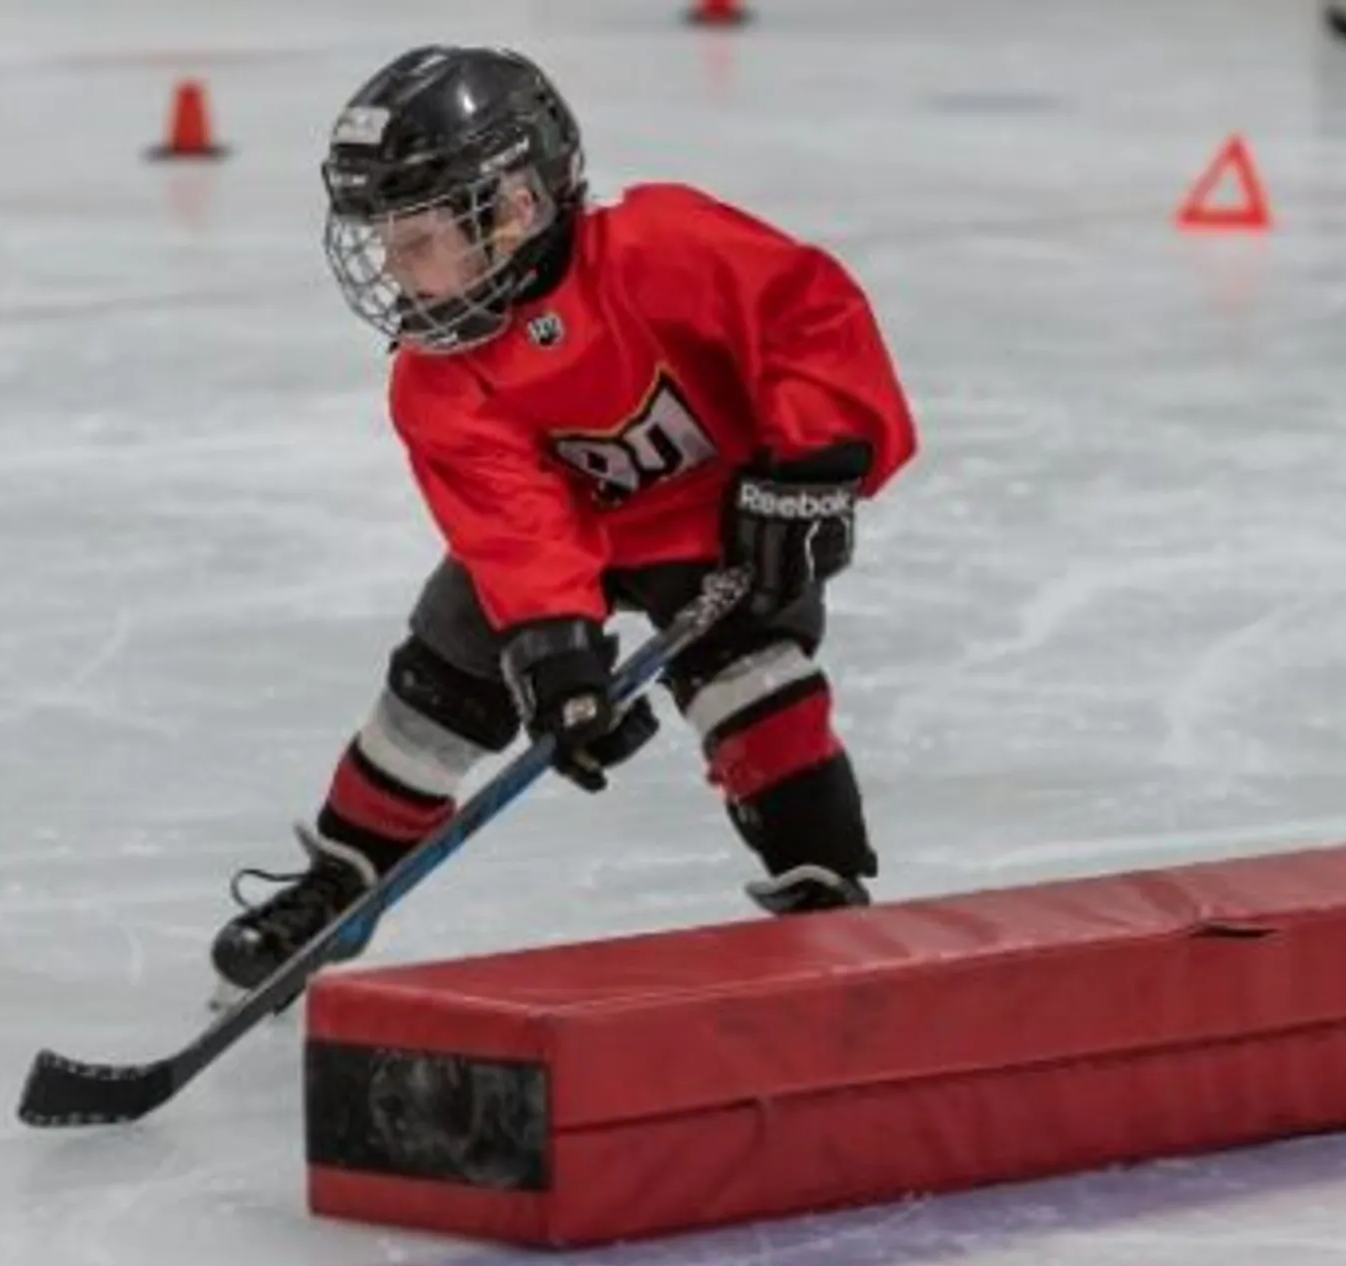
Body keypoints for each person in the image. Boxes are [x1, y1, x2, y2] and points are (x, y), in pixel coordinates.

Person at [209, 44, 919, 994]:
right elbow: (512, 522)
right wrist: (554, 655)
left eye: (415, 238)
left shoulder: (665, 246)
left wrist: (813, 463)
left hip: (718, 521)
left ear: (513, 207)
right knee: (443, 675)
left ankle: (823, 890)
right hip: (582, 535)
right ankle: (343, 877)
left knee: (753, 687)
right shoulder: (439, 376)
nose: (394, 269)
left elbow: (807, 317)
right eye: (384, 242)